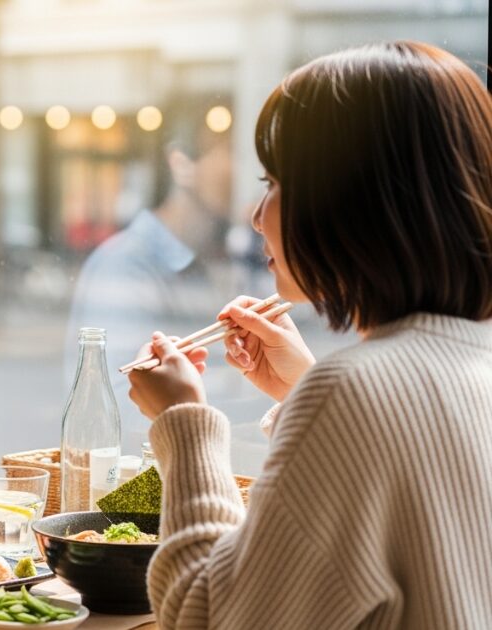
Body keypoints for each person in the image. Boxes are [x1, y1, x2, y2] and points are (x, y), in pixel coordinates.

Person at [128, 41, 492, 628]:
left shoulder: (352, 394)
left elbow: (207, 615)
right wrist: (303, 388)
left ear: (353, 202)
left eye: (274, 182)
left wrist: (183, 424)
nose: (256, 214)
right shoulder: (475, 362)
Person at [65, 100, 241, 457]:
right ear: (181, 163)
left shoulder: (206, 262)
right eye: (230, 151)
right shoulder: (125, 265)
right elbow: (117, 410)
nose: (241, 169)